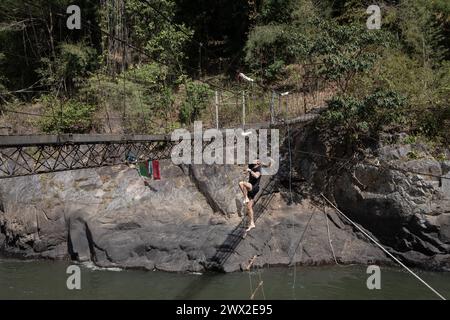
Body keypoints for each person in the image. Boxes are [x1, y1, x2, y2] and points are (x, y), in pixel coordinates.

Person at [238, 159, 262, 232]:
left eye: (255, 160)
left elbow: (257, 176)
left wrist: (250, 171)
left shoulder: (258, 169)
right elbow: (246, 171)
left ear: (258, 162)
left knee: (241, 183)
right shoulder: (252, 167)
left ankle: (246, 198)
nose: (253, 160)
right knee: (249, 207)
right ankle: (252, 223)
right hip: (251, 188)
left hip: (254, 187)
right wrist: (246, 171)